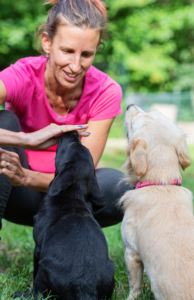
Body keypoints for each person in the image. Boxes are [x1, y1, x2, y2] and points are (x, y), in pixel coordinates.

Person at [0, 0, 133, 232]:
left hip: (67, 198)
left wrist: (26, 178)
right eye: (67, 51)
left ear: (98, 48)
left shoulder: (106, 90)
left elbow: (83, 176)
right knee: (4, 122)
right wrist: (26, 139)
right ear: (47, 42)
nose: (75, 66)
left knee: (119, 187)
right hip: (14, 192)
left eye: (86, 54)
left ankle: (59, 238)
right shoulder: (23, 75)